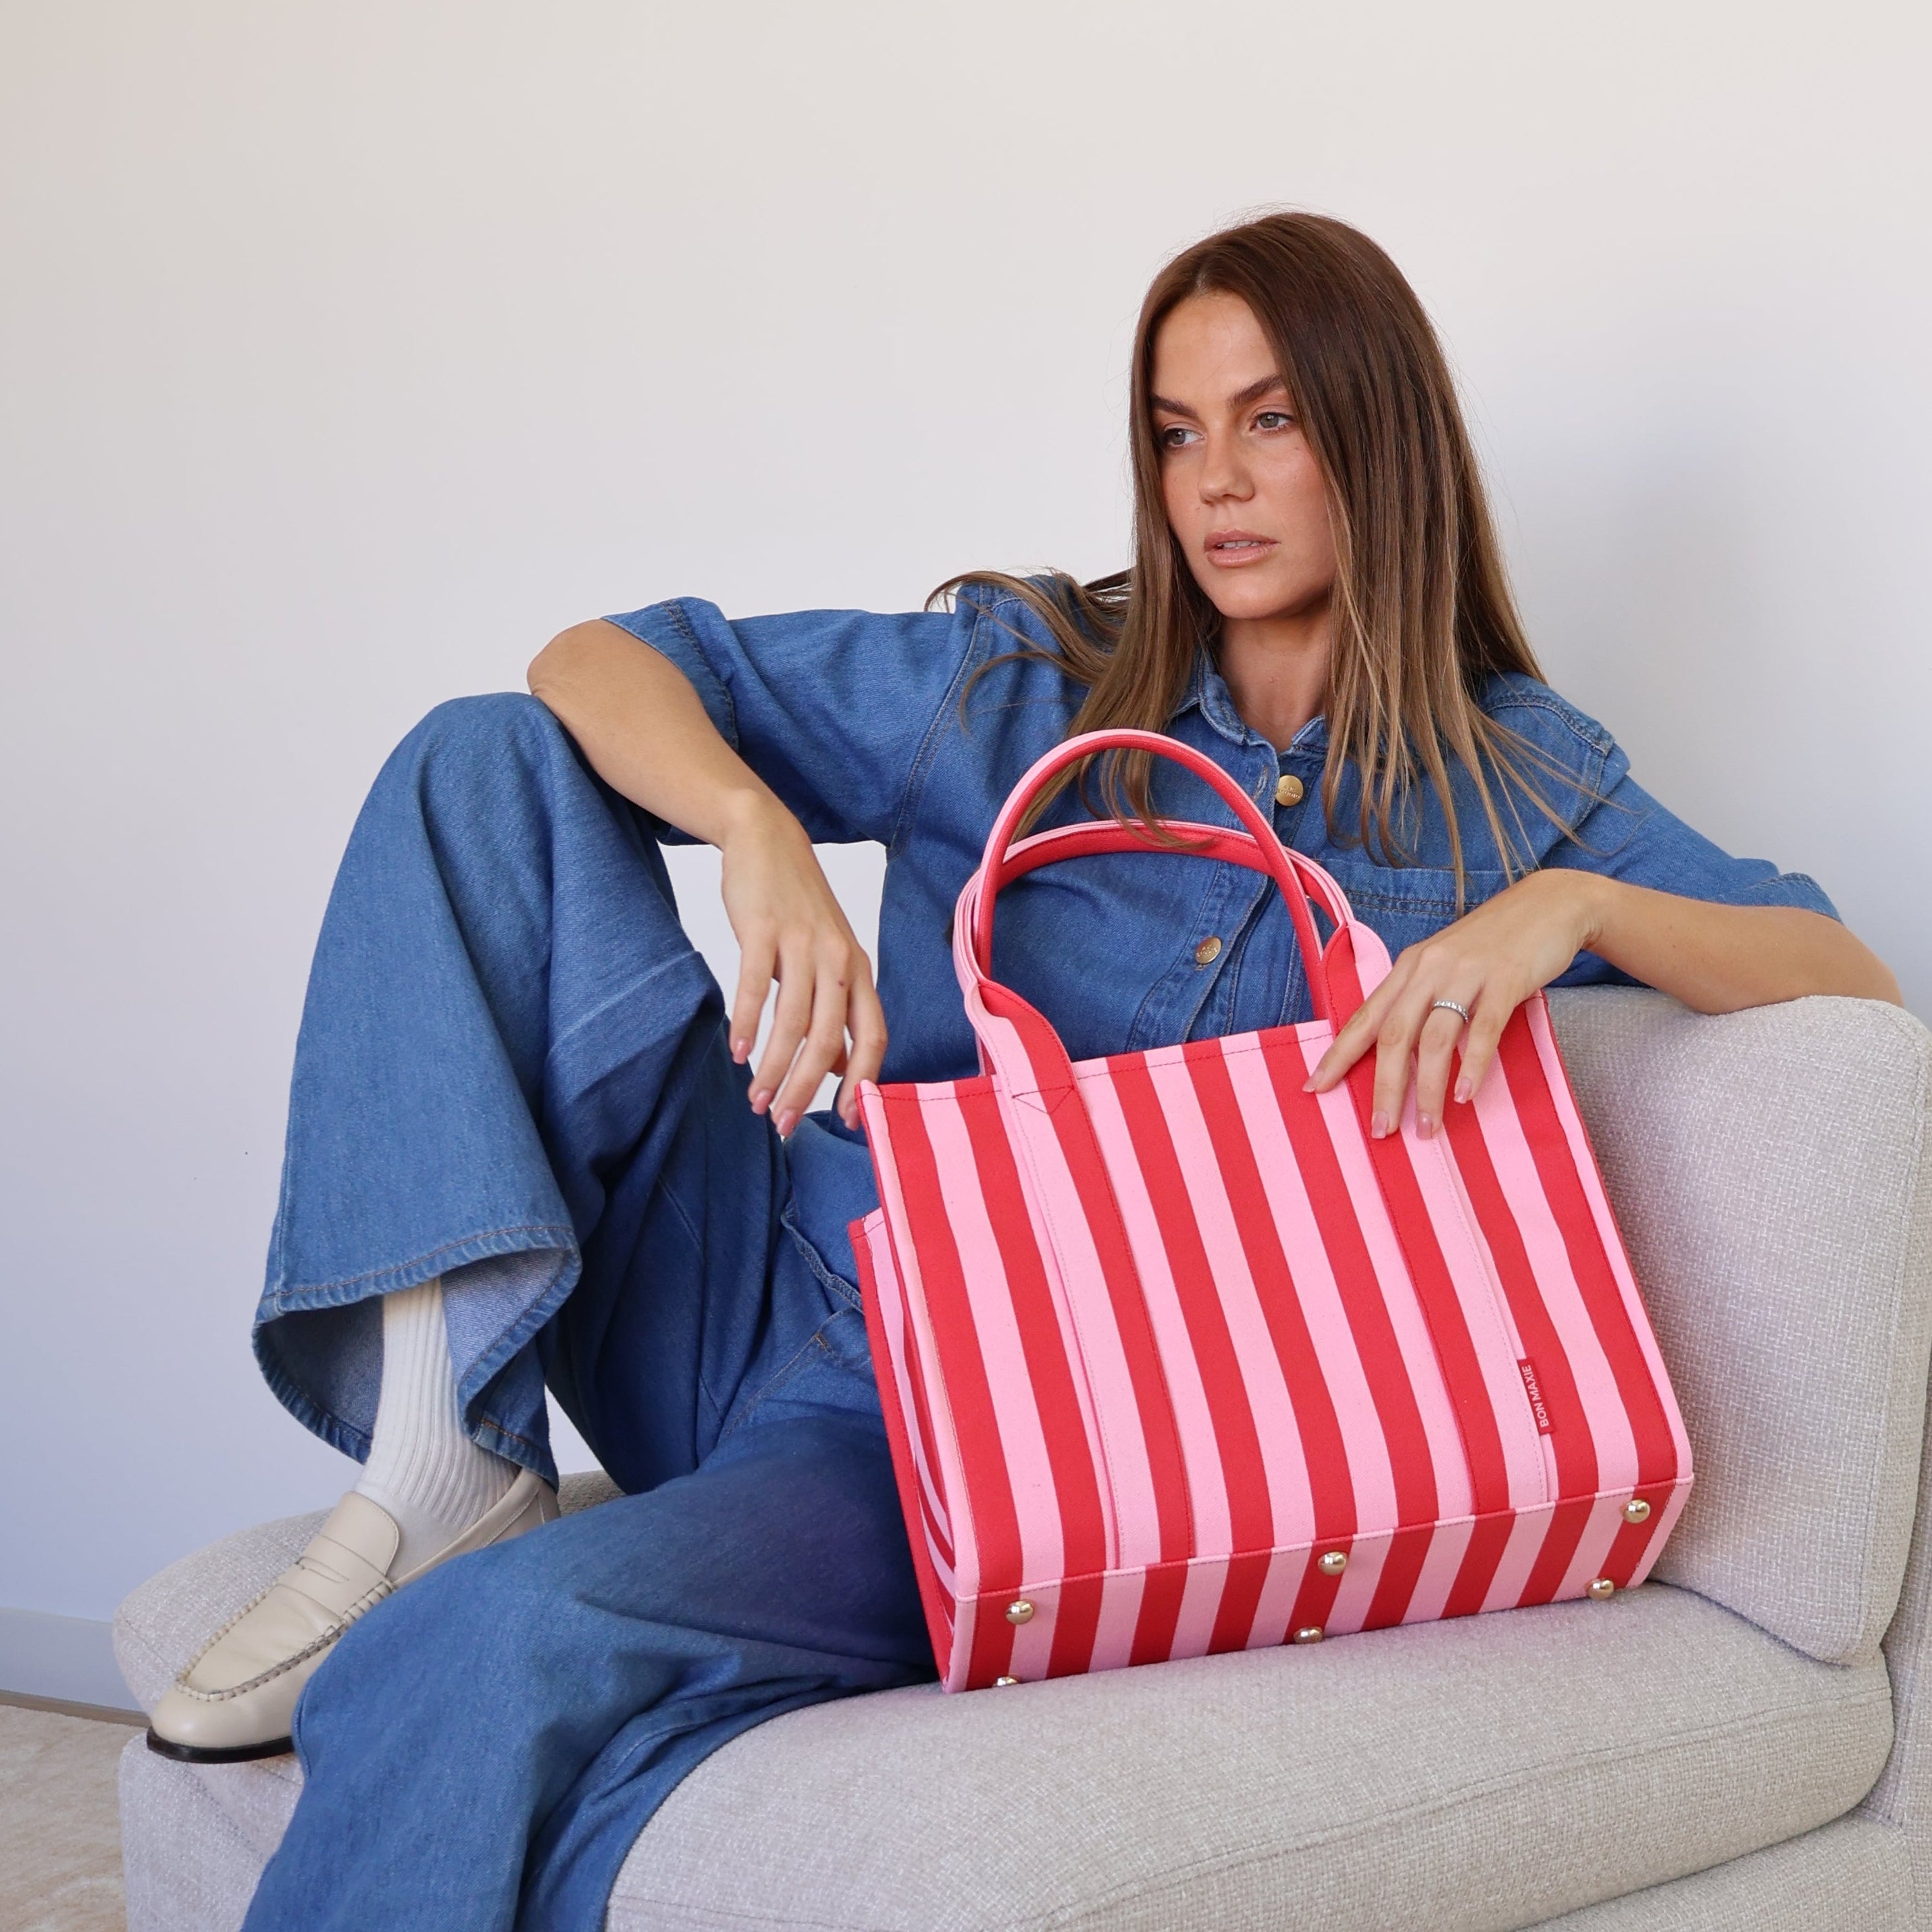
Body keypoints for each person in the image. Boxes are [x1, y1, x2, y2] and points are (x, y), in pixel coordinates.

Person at [147, 212, 1900, 1929]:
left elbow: (1846, 978)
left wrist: (1566, 905)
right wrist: (752, 823)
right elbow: (588, 663)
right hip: (766, 1278)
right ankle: (438, 1449)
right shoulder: (1027, 677)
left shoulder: (1515, 788)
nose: (1213, 476)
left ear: (1379, 433)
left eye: (1269, 418)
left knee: (486, 1649)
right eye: (1174, 430)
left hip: (982, 1452)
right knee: (484, 760)